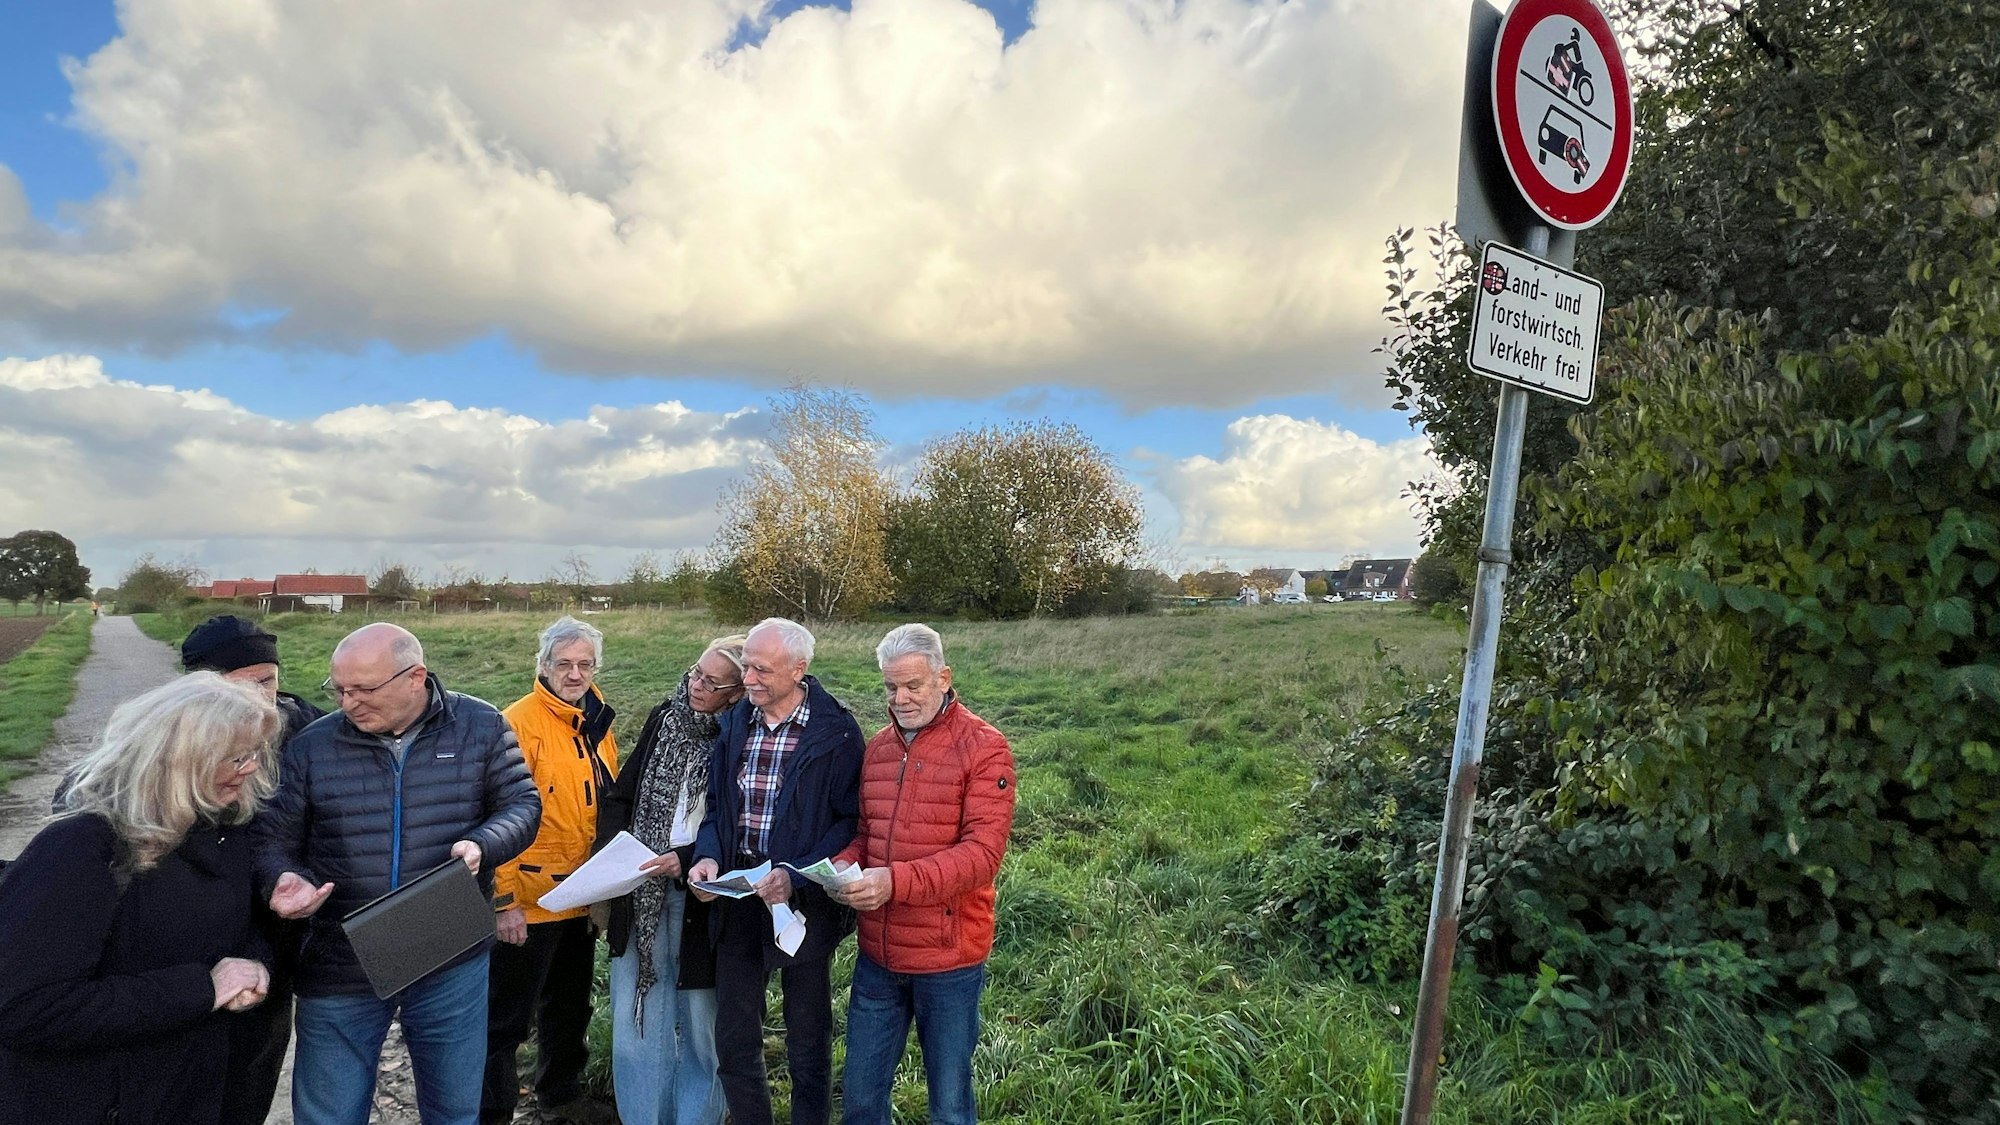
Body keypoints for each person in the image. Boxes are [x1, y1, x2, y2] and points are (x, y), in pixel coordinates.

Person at [253, 622, 541, 1125]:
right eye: (339, 689)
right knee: (329, 1113)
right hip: (339, 956)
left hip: (448, 950)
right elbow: (273, 839)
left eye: (364, 689)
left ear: (416, 678)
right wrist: (281, 877)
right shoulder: (310, 747)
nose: (347, 703)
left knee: (453, 1109)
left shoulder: (482, 725)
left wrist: (483, 844)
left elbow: (521, 804)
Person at [0, 673, 281, 1125]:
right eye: (236, 756)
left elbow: (233, 931)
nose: (250, 768)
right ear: (179, 760)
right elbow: (26, 1008)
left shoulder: (219, 830)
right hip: (92, 1102)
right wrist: (202, 988)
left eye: (253, 754)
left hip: (185, 1093)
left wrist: (255, 961)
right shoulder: (80, 849)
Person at [832, 624, 1017, 1125]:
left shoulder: (984, 748)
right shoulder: (878, 749)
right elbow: (867, 835)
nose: (901, 698)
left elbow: (981, 856)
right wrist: (846, 864)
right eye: (891, 687)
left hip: (948, 958)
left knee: (950, 1104)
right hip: (879, 955)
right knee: (862, 1100)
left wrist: (893, 881)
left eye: (913, 686)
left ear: (943, 677)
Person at [687, 617, 864, 1125]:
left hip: (801, 907)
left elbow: (848, 823)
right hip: (739, 897)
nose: (749, 678)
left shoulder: (837, 731)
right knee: (735, 1038)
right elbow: (719, 808)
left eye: (762, 669)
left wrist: (797, 875)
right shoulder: (738, 721)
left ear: (799, 670)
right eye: (746, 666)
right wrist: (708, 857)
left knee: (808, 1036)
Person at [180, 613, 328, 1125]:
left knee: (255, 1063)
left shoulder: (312, 730)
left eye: (269, 681)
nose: (262, 698)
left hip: (275, 925)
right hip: (192, 929)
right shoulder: (173, 737)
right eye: (244, 686)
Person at [597, 633, 747, 1125]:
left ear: (737, 693)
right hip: (640, 888)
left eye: (711, 681)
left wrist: (683, 858)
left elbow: (738, 823)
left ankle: (696, 1118)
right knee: (638, 1019)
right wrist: (613, 860)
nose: (695, 684)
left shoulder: (743, 736)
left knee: (702, 1023)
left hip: (703, 898)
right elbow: (622, 794)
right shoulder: (665, 719)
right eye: (695, 672)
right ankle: (643, 1117)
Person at [482, 617, 621, 1125]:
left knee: (569, 1008)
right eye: (564, 663)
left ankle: (559, 1098)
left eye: (585, 664)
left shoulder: (597, 722)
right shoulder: (517, 722)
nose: (575, 673)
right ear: (542, 665)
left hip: (580, 894)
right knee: (505, 1021)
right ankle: (490, 1112)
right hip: (529, 900)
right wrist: (504, 902)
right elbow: (496, 818)